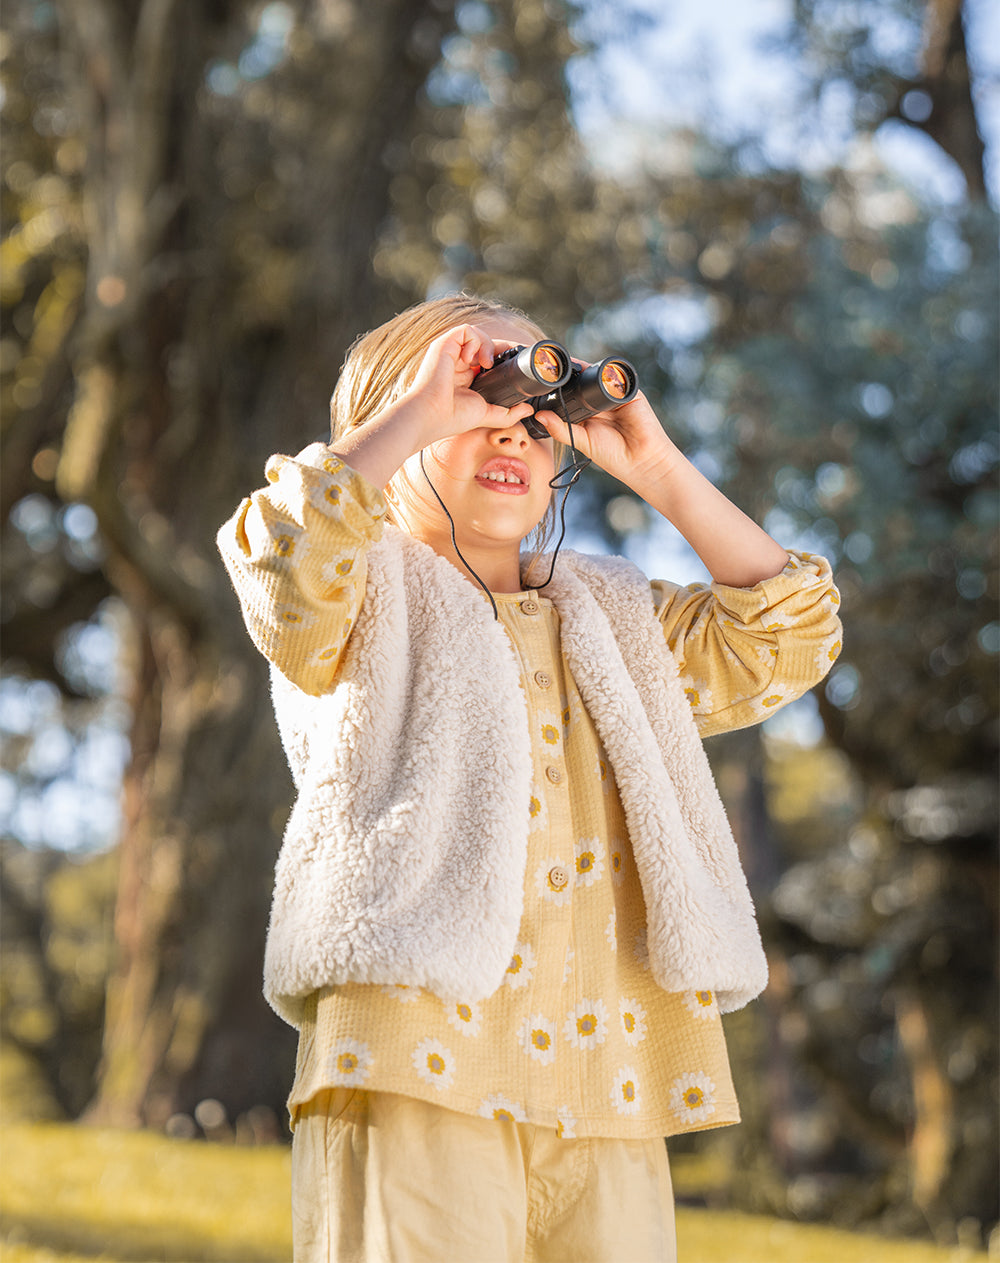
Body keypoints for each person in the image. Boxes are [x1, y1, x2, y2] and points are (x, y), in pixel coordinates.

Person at [217, 293, 842, 1263]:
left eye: (532, 423)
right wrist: (423, 408)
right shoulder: (361, 587)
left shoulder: (612, 613)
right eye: (474, 408)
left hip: (609, 1066)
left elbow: (788, 635)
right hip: (413, 1046)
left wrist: (656, 470)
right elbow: (280, 552)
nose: (506, 437)